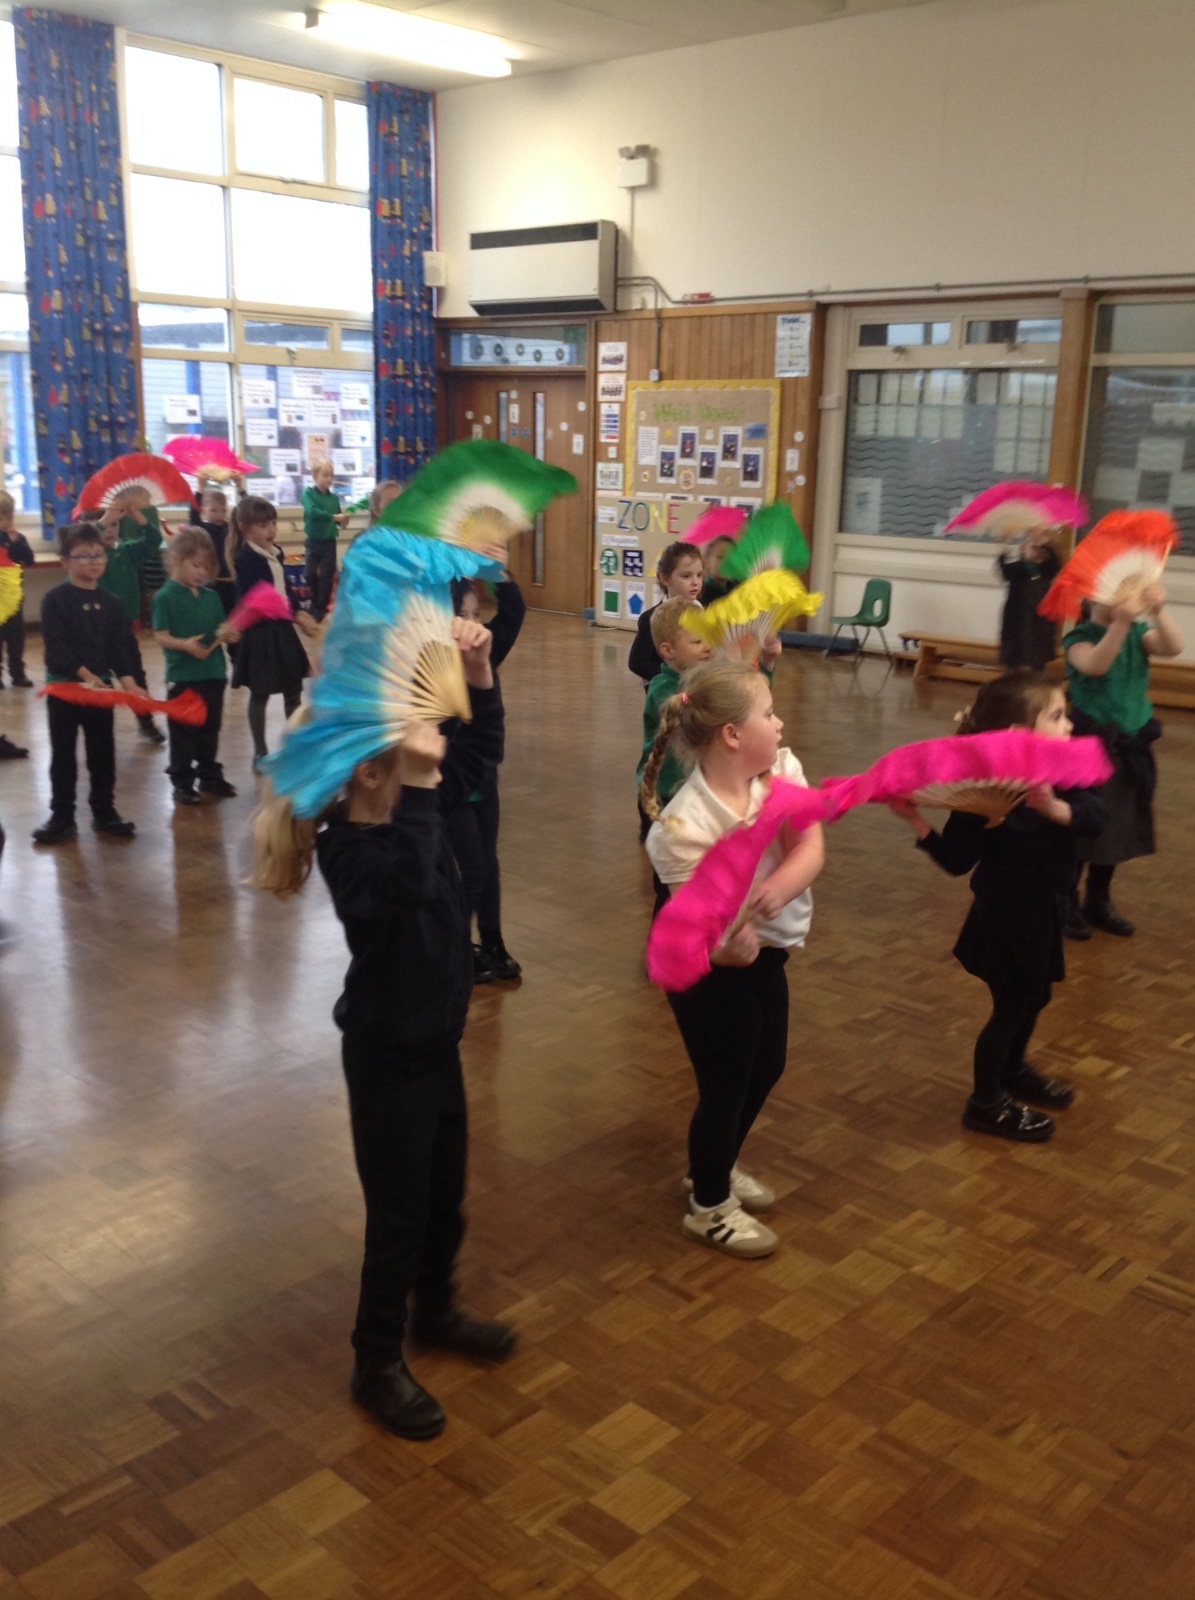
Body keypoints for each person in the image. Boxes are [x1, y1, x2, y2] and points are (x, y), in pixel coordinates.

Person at [249, 618, 515, 1441]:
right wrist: (425, 790)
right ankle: (374, 1361)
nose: (434, 742)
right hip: (387, 1058)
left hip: (435, 1047)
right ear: (372, 774)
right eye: (415, 741)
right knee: (399, 1216)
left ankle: (434, 1310)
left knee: (444, 1198)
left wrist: (478, 673)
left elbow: (481, 750)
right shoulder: (352, 851)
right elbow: (404, 886)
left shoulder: (411, 809)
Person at [643, 660, 825, 1259]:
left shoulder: (782, 770)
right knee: (726, 1082)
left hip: (767, 951)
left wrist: (778, 888)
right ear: (732, 735)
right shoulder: (682, 825)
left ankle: (710, 1167)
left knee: (767, 1065)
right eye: (768, 713)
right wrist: (723, 946)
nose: (780, 722)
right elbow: (695, 928)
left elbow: (810, 844)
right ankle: (709, 1207)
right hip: (703, 969)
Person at [889, 672, 1107, 1144]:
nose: (1069, 725)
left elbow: (1095, 817)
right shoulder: (981, 791)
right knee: (1010, 1008)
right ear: (1018, 733)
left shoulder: (1063, 771)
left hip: (1047, 909)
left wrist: (1056, 809)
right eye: (1057, 716)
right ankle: (985, 1103)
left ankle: (1013, 1070)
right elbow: (957, 861)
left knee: (1036, 998)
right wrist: (917, 823)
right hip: (1005, 918)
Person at [1063, 585, 1183, 939]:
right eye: (1112, 594)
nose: (1121, 601)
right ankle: (1066, 901)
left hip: (1130, 745)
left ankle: (1098, 899)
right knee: (1083, 825)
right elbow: (1095, 665)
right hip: (1090, 747)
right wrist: (1120, 623)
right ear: (1090, 598)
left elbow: (1173, 647)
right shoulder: (1078, 638)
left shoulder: (1138, 632)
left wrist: (1158, 611)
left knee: (1116, 826)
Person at [33, 523, 141, 844]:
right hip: (65, 690)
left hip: (99, 692)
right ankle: (62, 816)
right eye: (83, 555)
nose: (93, 561)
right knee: (63, 755)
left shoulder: (112, 603)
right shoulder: (55, 600)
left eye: (98, 554)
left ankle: (104, 811)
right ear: (65, 561)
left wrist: (129, 683)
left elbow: (118, 648)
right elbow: (57, 647)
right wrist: (86, 675)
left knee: (102, 752)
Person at [447, 574, 526, 983]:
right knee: (471, 868)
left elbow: (513, 612)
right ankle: (457, 946)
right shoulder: (432, 670)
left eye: (477, 614)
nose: (473, 625)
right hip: (452, 790)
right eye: (463, 616)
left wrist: (498, 573)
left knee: (487, 862)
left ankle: (492, 940)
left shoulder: (483, 653)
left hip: (484, 784)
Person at [230, 496, 319, 771]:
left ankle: (295, 746)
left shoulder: (275, 553)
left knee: (293, 689)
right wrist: (296, 616)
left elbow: (285, 591)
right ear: (245, 528)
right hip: (260, 635)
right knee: (260, 693)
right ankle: (260, 752)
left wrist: (298, 611)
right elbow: (260, 599)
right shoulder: (247, 559)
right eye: (263, 525)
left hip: (281, 631)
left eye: (272, 523)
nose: (271, 530)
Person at [152, 528, 240, 806]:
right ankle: (182, 782)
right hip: (183, 676)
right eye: (195, 565)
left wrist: (227, 633)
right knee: (183, 733)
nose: (201, 572)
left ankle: (209, 775)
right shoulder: (165, 597)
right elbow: (161, 635)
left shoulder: (211, 597)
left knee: (210, 729)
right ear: (176, 559)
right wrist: (185, 645)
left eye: (205, 567)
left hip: (213, 673)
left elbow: (218, 628)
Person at [635, 596, 712, 849]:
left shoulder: (701, 681)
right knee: (665, 856)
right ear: (668, 651)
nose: (708, 646)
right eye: (698, 641)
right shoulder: (662, 688)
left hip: (688, 789)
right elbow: (690, 716)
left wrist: (764, 664)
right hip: (662, 792)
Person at [96, 489, 166, 745]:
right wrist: (104, 519)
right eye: (105, 525)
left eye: (115, 524)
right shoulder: (92, 556)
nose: (110, 530)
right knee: (99, 679)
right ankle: (97, 728)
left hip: (123, 628)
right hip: (95, 629)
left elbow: (154, 539)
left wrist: (138, 517)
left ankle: (145, 722)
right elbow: (81, 537)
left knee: (135, 675)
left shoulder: (125, 551)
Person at [627, 541, 704, 688]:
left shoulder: (705, 613)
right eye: (686, 576)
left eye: (699, 575)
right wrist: (670, 679)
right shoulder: (651, 618)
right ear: (665, 578)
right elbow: (637, 661)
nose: (695, 582)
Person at [997, 530, 1061, 670]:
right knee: (1014, 659)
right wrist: (1004, 550)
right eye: (1034, 547)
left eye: (1042, 549)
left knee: (1039, 658)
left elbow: (1056, 563)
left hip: (1040, 622)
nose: (1038, 552)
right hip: (1018, 620)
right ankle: (1012, 678)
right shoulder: (1017, 568)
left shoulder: (1046, 570)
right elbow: (1005, 571)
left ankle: (1038, 678)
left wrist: (1046, 543)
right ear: (1023, 549)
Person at [303, 459, 350, 622]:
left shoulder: (334, 498)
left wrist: (343, 521)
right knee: (309, 574)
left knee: (326, 577)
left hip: (329, 542)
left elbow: (338, 520)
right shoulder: (308, 494)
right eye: (325, 475)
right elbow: (312, 512)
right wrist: (333, 517)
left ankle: (319, 609)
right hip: (313, 542)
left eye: (331, 475)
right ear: (315, 476)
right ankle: (316, 603)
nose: (329, 479)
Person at [0, 491, 35, 688]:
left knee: (16, 638)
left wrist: (16, 543)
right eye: (1, 518)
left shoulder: (18, 538)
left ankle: (18, 673)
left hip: (13, 598)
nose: (5, 522)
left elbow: (28, 559)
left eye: (8, 517)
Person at [189, 484, 238, 617]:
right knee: (212, 617)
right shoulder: (203, 529)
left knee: (232, 618)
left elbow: (244, 516)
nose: (219, 515)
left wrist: (240, 489)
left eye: (223, 511)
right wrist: (200, 488)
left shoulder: (229, 528)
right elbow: (193, 515)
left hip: (231, 583)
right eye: (213, 510)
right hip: (212, 583)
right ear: (203, 511)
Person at [699, 535, 738, 608]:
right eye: (720, 557)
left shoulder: (737, 588)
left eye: (730, 558)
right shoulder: (702, 594)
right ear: (707, 560)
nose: (725, 562)